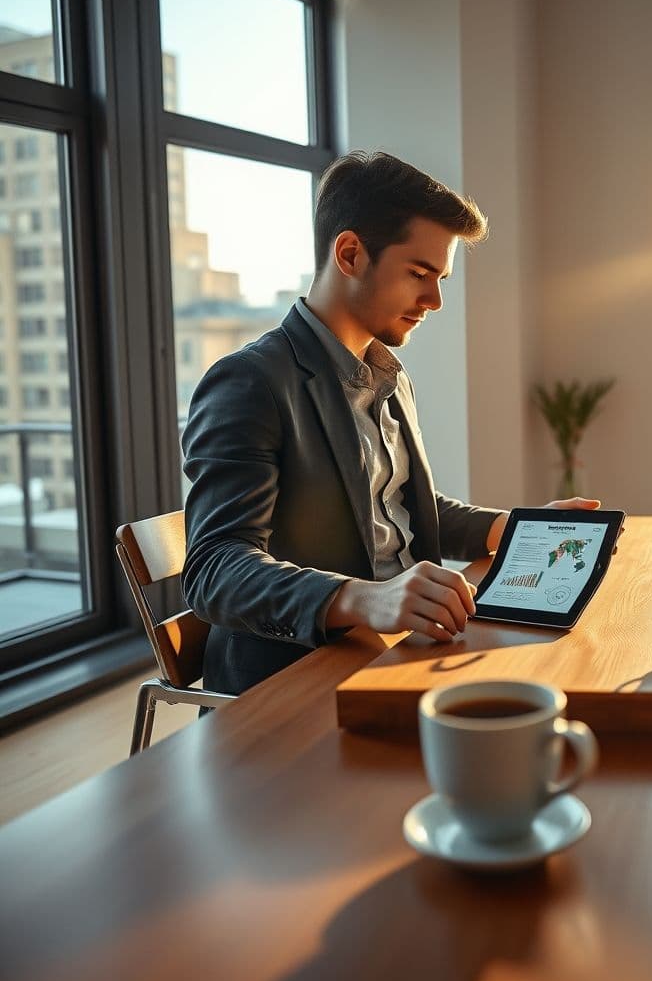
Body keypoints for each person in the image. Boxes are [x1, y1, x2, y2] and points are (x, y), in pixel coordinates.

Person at [181, 151, 602, 695]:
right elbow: (214, 569)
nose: (435, 300)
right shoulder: (249, 381)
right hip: (301, 677)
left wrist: (515, 530)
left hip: (403, 649)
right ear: (351, 254)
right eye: (420, 274)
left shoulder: (387, 375)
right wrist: (361, 597)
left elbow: (400, 505)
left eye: (441, 277)